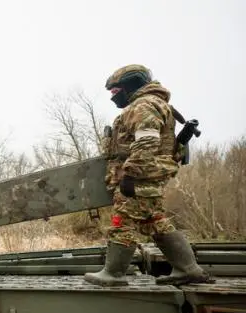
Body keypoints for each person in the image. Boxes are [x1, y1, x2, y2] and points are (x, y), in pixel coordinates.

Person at [84, 64, 214, 287]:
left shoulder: (143, 105)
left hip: (140, 178)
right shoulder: (156, 104)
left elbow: (147, 141)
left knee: (122, 222)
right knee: (156, 221)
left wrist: (130, 174)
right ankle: (188, 269)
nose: (113, 98)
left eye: (115, 92)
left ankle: (113, 274)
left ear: (130, 85)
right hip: (150, 175)